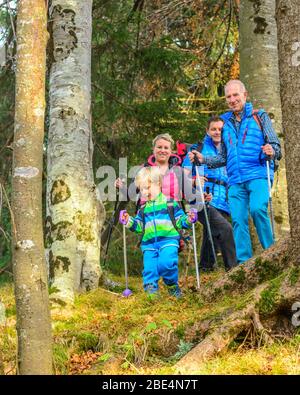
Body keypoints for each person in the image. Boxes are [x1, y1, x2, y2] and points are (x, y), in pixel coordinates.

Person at [189, 80, 281, 263]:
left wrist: (272, 150)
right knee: (238, 221)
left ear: (245, 95)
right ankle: (244, 263)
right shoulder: (224, 123)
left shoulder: (259, 116)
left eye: (235, 95)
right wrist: (203, 158)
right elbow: (222, 157)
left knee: (257, 209)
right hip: (235, 180)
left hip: (258, 174)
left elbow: (276, 146)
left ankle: (272, 254)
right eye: (228, 96)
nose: (232, 99)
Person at [119, 166, 197, 298]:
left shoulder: (170, 204)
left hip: (169, 241)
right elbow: (139, 226)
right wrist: (128, 221)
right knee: (149, 270)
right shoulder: (143, 208)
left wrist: (189, 219)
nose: (145, 192)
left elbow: (180, 221)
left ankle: (172, 285)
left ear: (159, 184)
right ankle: (151, 295)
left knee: (166, 265)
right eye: (142, 189)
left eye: (148, 188)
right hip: (149, 244)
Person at [182, 115, 237, 271]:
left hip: (223, 200)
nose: (217, 132)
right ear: (207, 131)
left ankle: (206, 268)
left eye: (220, 129)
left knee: (212, 234)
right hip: (200, 199)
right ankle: (232, 269)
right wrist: (194, 180)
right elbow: (183, 176)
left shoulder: (229, 150)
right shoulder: (197, 148)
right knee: (225, 229)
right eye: (213, 129)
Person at [116, 133, 183, 205]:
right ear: (153, 149)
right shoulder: (143, 169)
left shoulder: (178, 170)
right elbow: (131, 194)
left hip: (173, 214)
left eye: (166, 148)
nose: (163, 150)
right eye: (159, 147)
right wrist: (121, 187)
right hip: (147, 214)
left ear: (171, 151)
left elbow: (191, 195)